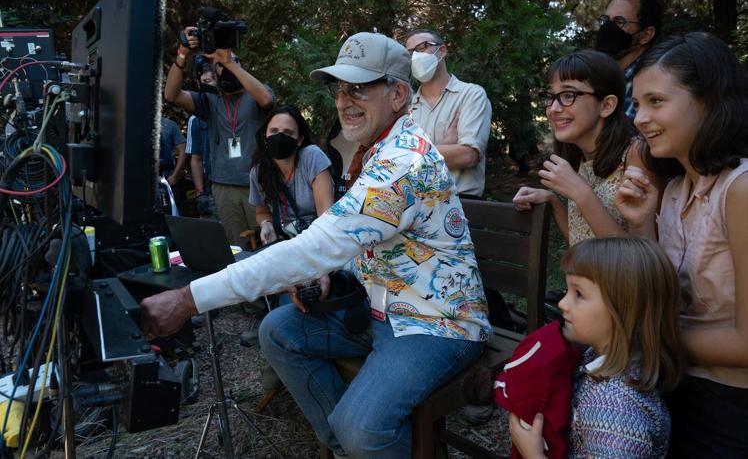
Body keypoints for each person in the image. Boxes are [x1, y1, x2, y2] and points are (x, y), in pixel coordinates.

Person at [140, 32, 490, 457]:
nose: (343, 100)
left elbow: (313, 247)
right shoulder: (379, 149)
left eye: (359, 87)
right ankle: (344, 448)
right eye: (338, 88)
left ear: (398, 93)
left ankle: (357, 440)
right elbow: (367, 244)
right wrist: (330, 272)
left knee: (362, 427)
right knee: (278, 331)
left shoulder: (404, 164)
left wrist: (189, 298)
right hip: (384, 310)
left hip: (436, 323)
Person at [615, 32, 748, 457]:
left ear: (710, 101)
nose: (638, 117)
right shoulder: (673, 190)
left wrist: (645, 335)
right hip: (679, 383)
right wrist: (642, 226)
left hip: (730, 402)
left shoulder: (739, 190)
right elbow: (667, 294)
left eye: (657, 101)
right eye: (638, 103)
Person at [510, 237, 685, 458]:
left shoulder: (616, 412)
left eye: (579, 294)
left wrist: (533, 455)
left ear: (623, 310)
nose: (562, 303)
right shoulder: (603, 358)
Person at [512, 49, 658, 246]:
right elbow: (582, 243)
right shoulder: (582, 157)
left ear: (606, 105)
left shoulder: (635, 154)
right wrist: (553, 202)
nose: (553, 109)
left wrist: (581, 193)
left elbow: (641, 259)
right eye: (551, 96)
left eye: (568, 95)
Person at [164, 26, 275, 248]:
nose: (226, 67)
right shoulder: (210, 101)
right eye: (220, 65)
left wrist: (229, 60)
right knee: (236, 249)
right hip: (223, 187)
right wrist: (182, 53)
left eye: (231, 62)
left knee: (269, 248)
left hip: (257, 185)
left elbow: (267, 101)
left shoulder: (255, 94)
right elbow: (171, 94)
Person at [404, 29, 492, 197]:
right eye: (410, 52)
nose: (415, 56)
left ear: (442, 51)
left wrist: (412, 154)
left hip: (462, 204)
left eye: (422, 47)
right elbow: (394, 161)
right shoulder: (407, 107)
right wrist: (447, 146)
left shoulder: (471, 95)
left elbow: (468, 156)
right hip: (416, 205)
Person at [251, 105, 334, 247]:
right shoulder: (259, 171)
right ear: (265, 135)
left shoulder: (312, 157)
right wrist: (266, 224)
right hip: (282, 245)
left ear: (299, 139)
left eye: (288, 132)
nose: (280, 136)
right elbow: (262, 212)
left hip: (317, 242)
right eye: (274, 131)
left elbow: (326, 217)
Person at [595, 0, 663, 119]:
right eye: (606, 20)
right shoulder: (596, 77)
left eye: (619, 21)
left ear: (646, 35)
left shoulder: (655, 83)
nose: (608, 27)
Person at [186, 58, 218, 218]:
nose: (208, 84)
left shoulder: (231, 109)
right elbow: (196, 158)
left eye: (211, 80)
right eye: (204, 81)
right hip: (210, 185)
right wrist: (200, 192)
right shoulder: (195, 119)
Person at [159, 116, 187, 187]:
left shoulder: (170, 124)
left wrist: (175, 175)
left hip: (166, 180)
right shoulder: (133, 124)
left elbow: (183, 150)